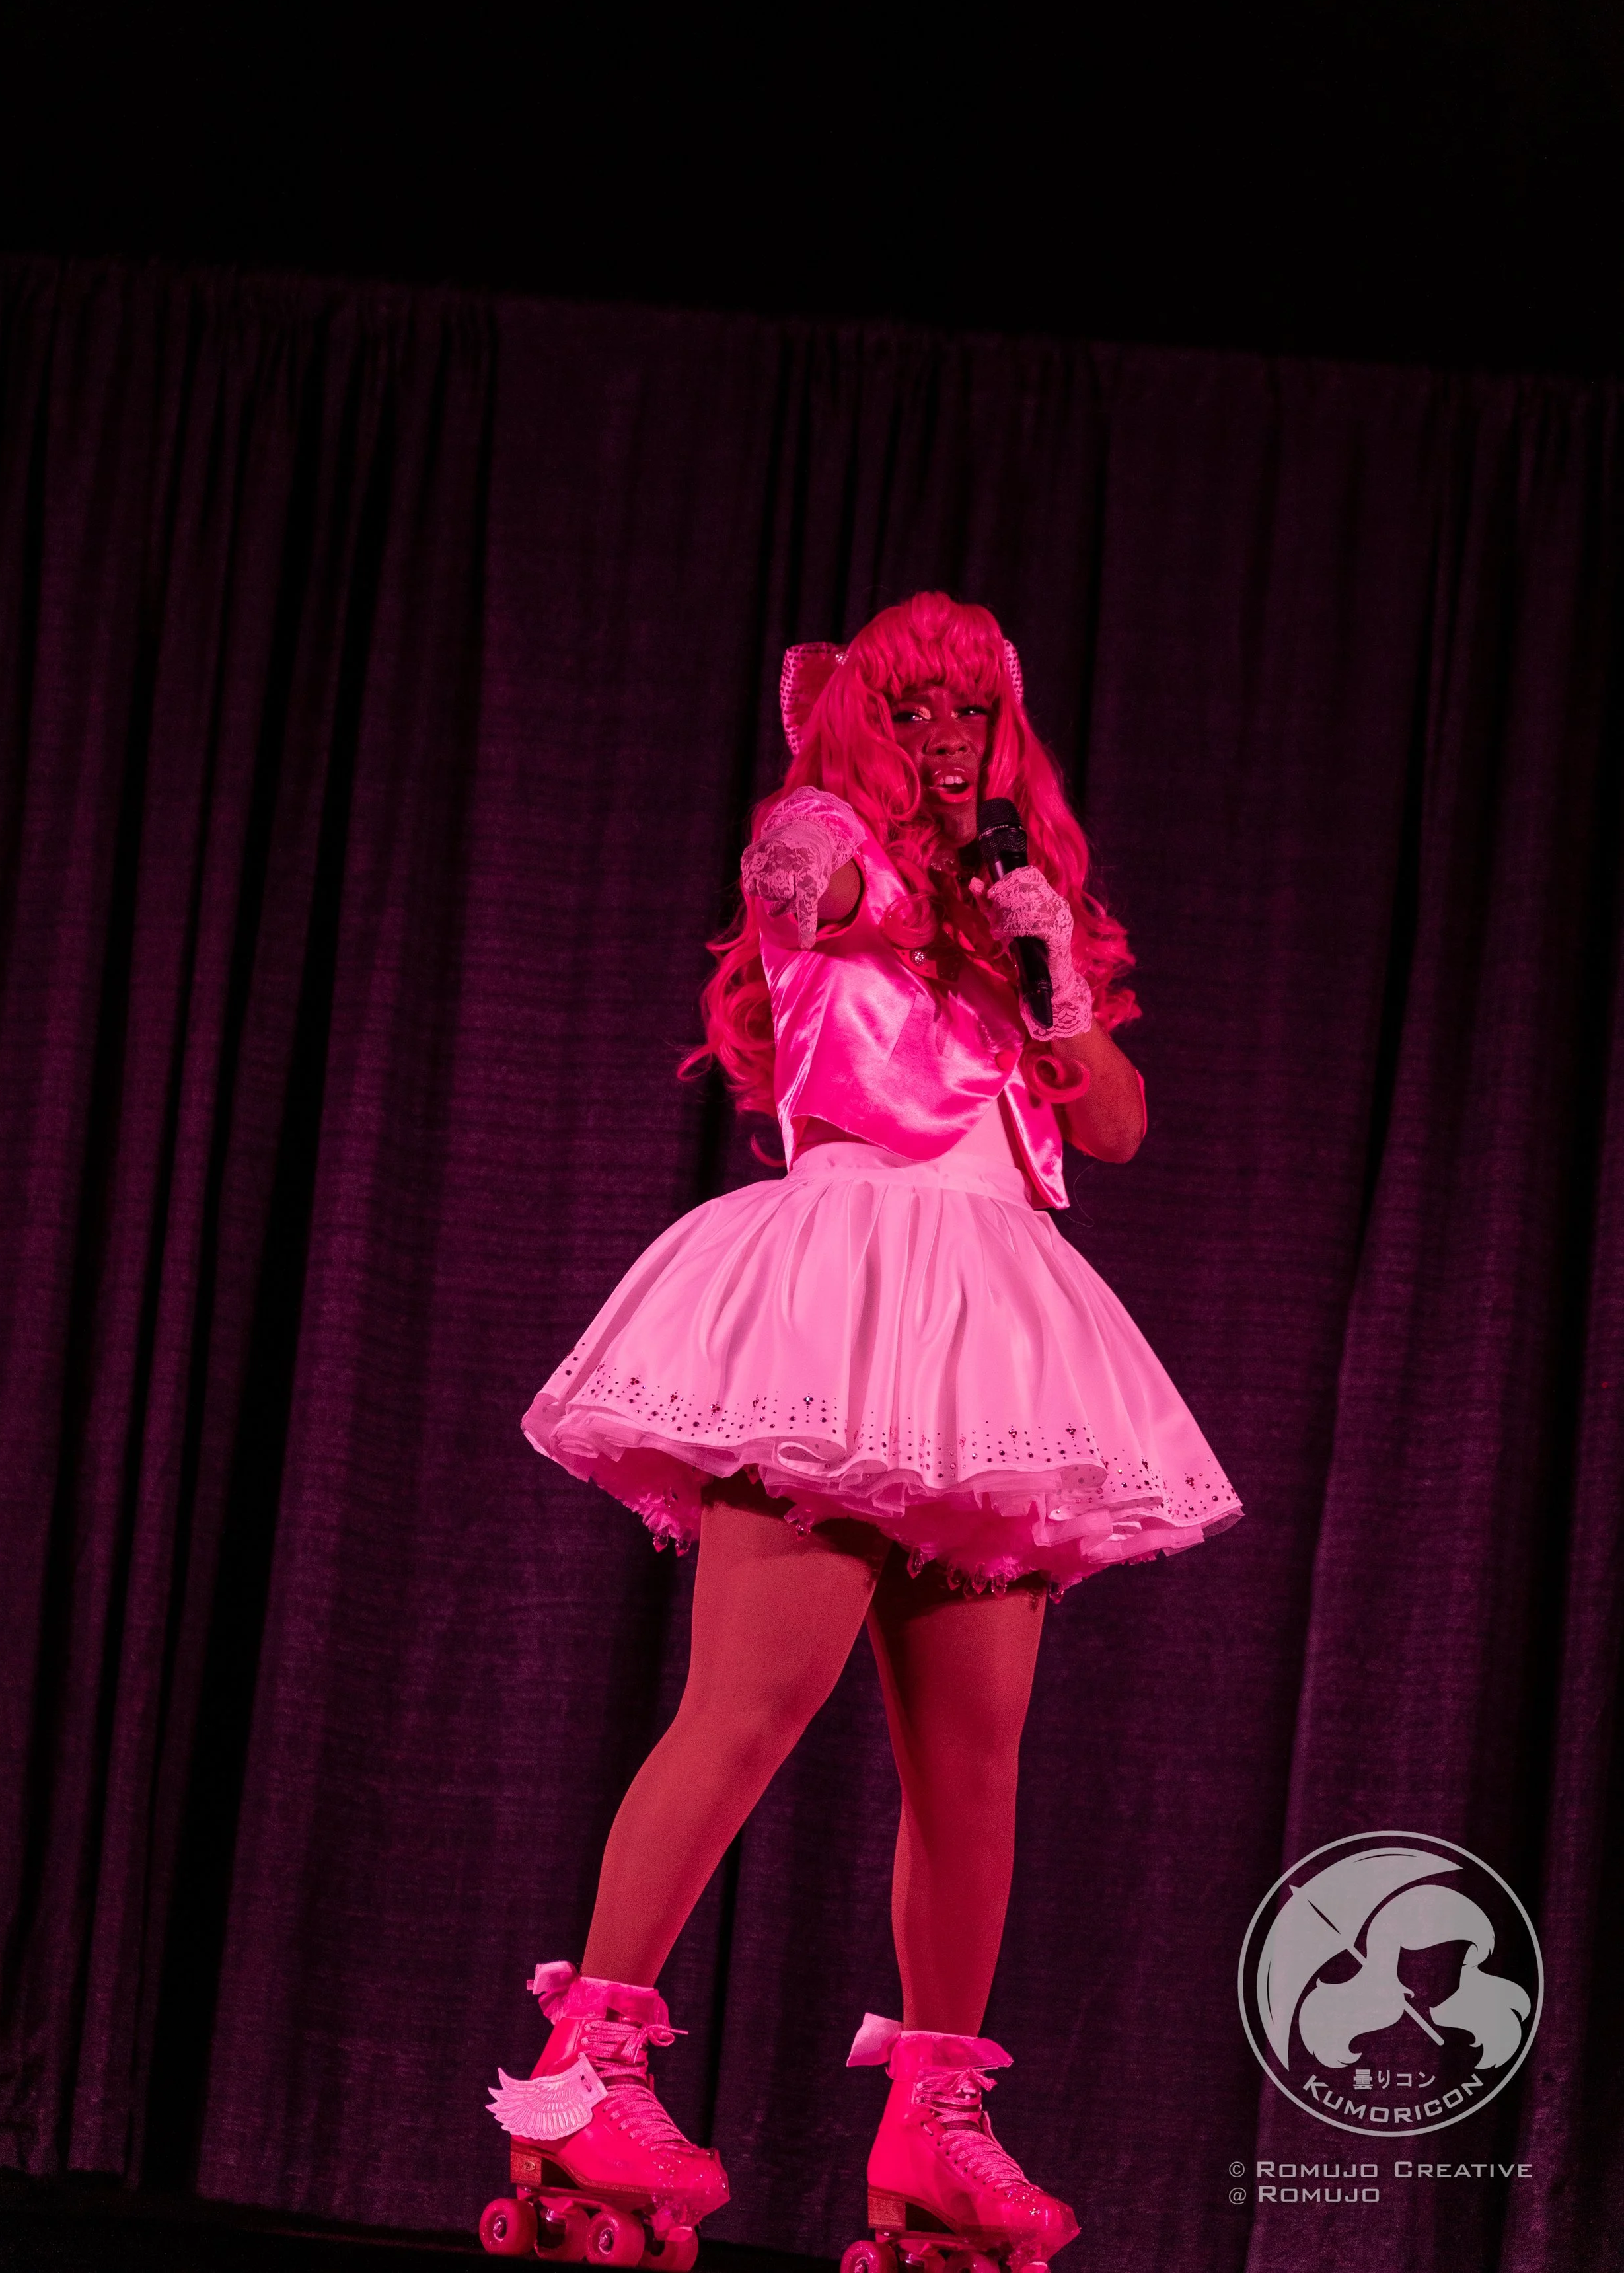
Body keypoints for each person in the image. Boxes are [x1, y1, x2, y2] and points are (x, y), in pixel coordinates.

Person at [483, 593, 1243, 2268]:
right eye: (913, 713)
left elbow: (1110, 1125)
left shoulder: (1013, 909)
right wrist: (839, 811)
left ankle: (935, 2124)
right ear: (860, 727)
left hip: (991, 1333)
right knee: (753, 1700)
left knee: (972, 1761)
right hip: (843, 1298)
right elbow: (791, 887)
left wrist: (1043, 962)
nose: (945, 741)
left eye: (968, 714)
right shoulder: (823, 850)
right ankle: (586, 2062)